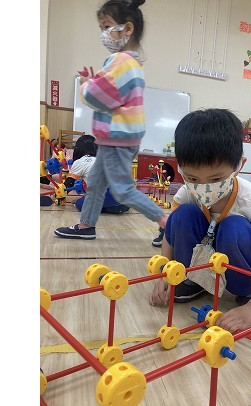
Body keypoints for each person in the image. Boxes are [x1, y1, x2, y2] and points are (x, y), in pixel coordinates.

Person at [149, 109, 251, 333]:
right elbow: (170, 236)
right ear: (180, 168)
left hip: (238, 272)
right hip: (198, 263)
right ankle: (192, 281)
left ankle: (246, 290)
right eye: (193, 178)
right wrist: (165, 274)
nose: (204, 187)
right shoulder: (186, 194)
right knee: (182, 215)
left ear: (239, 165)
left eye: (216, 178)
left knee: (234, 228)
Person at [54, 0, 168, 240]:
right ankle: (86, 225)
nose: (103, 34)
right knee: (96, 182)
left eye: (106, 26)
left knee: (122, 190)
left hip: (117, 138)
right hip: (115, 138)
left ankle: (165, 222)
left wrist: (85, 85)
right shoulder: (129, 62)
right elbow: (111, 92)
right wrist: (94, 82)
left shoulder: (122, 61)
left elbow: (101, 96)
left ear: (128, 28)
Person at [64, 134, 130, 214]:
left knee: (79, 204)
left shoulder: (79, 162)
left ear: (78, 149)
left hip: (108, 193)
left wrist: (58, 194)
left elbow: (69, 183)